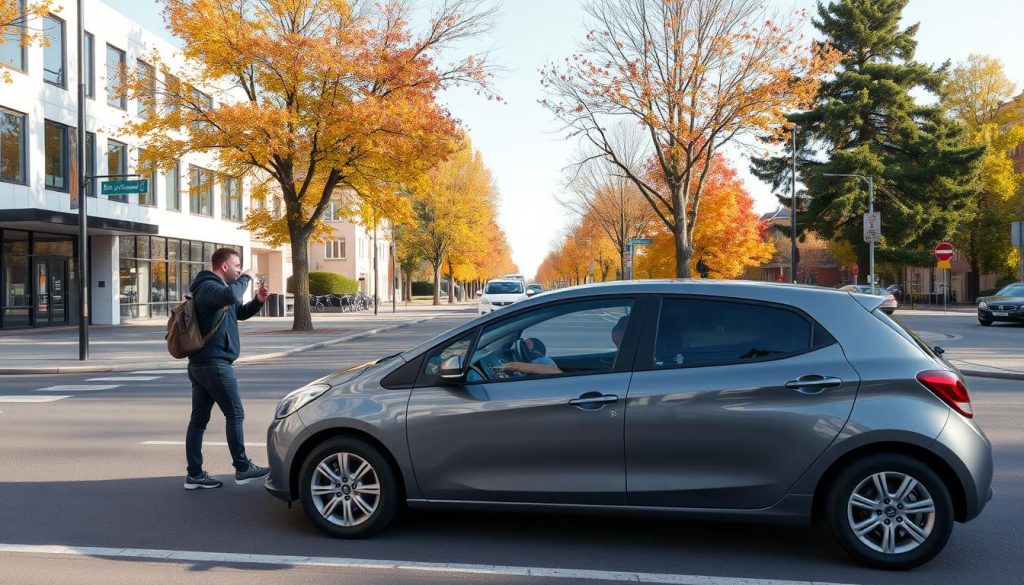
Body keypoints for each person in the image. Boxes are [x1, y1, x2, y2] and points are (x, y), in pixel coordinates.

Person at [183, 247, 270, 490]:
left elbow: (237, 313)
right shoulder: (209, 287)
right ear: (224, 266)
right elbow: (231, 297)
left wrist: (257, 302)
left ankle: (194, 475)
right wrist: (247, 277)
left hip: (204, 364)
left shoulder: (218, 291)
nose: (240, 270)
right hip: (214, 364)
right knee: (235, 414)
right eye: (237, 266)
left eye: (241, 267)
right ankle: (242, 468)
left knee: (198, 420)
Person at [500, 314, 630, 376]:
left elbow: (556, 373)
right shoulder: (630, 355)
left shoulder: (633, 359)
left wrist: (519, 366)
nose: (524, 341)